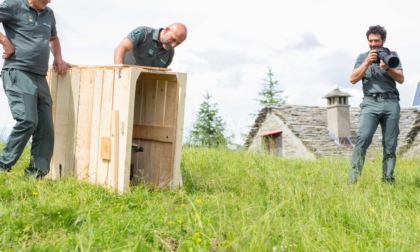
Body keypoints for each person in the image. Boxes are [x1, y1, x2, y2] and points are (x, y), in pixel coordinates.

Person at [0, 0, 69, 178]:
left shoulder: (49, 13)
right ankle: (2, 165)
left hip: (40, 76)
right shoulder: (13, 5)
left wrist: (59, 57)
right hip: (18, 71)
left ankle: (35, 174)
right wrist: (5, 41)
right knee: (27, 120)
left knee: (46, 126)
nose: (49, 1)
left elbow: (53, 38)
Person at [348, 25, 404, 183]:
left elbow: (400, 79)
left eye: (377, 41)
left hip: (391, 102)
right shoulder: (362, 57)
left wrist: (387, 69)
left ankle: (388, 181)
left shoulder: (392, 55)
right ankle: (352, 181)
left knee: (390, 144)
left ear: (383, 40)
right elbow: (352, 79)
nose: (373, 44)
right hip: (370, 102)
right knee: (363, 139)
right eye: (371, 41)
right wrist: (367, 62)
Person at [114, 22, 187, 68]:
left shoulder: (170, 53)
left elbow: (163, 73)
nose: (173, 45)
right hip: (125, 80)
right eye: (173, 39)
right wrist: (119, 71)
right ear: (166, 30)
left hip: (145, 88)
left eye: (178, 43)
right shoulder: (143, 32)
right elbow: (121, 48)